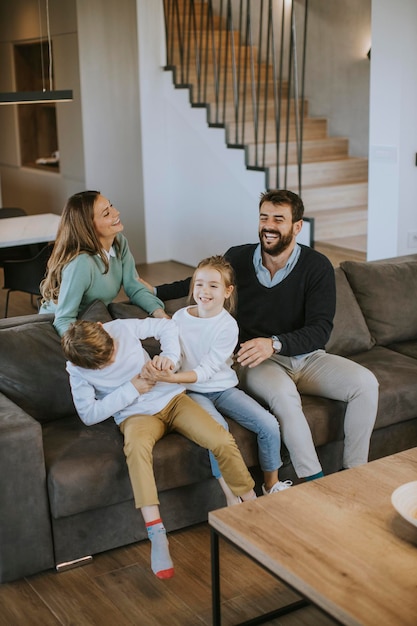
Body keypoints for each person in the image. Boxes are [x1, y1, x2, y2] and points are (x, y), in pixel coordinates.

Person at [154, 189, 379, 481]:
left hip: (306, 358)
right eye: (264, 217)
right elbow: (199, 281)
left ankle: (354, 472)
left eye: (278, 219)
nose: (269, 225)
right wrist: (151, 292)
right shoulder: (239, 257)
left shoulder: (317, 266)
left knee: (366, 384)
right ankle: (313, 480)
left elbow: (320, 330)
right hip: (255, 361)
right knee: (284, 397)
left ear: (297, 226)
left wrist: (275, 343)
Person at [61, 317, 256, 580]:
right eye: (103, 366)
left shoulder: (120, 327)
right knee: (137, 452)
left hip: (171, 399)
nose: (111, 363)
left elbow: (166, 326)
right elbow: (88, 413)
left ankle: (256, 509)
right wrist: (132, 388)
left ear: (102, 329)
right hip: (135, 415)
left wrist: (168, 358)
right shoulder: (77, 368)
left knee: (221, 439)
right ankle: (157, 536)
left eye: (111, 355)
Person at [142, 255, 291, 504]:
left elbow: (207, 370)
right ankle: (231, 497)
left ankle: (271, 484)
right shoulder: (179, 318)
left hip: (223, 388)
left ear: (227, 291)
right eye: (199, 284)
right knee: (217, 431)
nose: (204, 291)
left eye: (213, 285)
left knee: (268, 424)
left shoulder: (228, 325)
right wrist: (167, 366)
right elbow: (175, 355)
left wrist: (173, 378)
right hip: (191, 392)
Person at [40, 190, 167, 336]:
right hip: (59, 327)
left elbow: (135, 286)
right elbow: (63, 319)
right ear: (88, 227)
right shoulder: (81, 263)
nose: (117, 212)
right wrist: (87, 347)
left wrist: (161, 315)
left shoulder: (119, 242)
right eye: (106, 214)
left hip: (93, 317)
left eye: (111, 206)